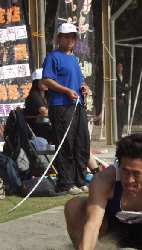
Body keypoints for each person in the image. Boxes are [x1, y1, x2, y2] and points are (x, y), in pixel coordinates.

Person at [42, 23, 90, 195]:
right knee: (66, 144)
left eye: (73, 37)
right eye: (66, 37)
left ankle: (80, 180)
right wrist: (66, 90)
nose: (70, 40)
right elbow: (47, 80)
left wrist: (84, 87)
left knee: (82, 143)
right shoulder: (53, 57)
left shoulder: (74, 59)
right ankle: (66, 183)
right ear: (59, 38)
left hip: (78, 106)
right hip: (61, 106)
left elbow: (80, 82)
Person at [23, 68, 53, 143]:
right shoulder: (34, 96)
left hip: (45, 125)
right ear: (36, 82)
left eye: (47, 80)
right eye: (43, 80)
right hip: (37, 128)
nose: (46, 83)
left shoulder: (47, 95)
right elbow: (45, 112)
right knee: (58, 130)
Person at [116, 62, 130, 139]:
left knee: (122, 118)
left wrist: (123, 88)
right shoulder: (114, 77)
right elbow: (117, 88)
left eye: (121, 66)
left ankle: (120, 134)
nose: (119, 68)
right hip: (118, 100)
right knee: (117, 117)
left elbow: (128, 88)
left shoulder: (125, 78)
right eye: (118, 66)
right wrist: (123, 88)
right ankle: (116, 134)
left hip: (124, 101)